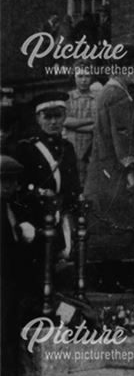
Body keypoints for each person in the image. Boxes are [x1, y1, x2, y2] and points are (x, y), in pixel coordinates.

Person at [84, 50, 134, 266]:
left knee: (105, 223)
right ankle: (115, 278)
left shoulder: (107, 92)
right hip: (114, 170)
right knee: (117, 223)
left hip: (102, 168)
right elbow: (122, 136)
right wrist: (129, 172)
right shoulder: (117, 95)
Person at [15, 91, 81, 265]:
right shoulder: (27, 148)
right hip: (37, 213)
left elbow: (73, 184)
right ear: (38, 118)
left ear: (64, 116)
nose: (53, 122)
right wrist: (40, 193)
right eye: (47, 117)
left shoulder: (67, 147)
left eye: (58, 116)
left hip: (62, 212)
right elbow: (20, 188)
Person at [1, 155, 39, 376]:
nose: (9, 187)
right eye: (3, 181)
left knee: (9, 340)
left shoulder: (11, 207)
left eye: (12, 181)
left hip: (10, 284)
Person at [63, 61, 95, 185]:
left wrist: (76, 125)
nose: (84, 80)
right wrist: (91, 120)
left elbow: (98, 126)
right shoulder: (68, 97)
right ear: (74, 77)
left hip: (90, 147)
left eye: (87, 76)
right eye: (80, 76)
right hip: (72, 145)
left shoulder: (97, 98)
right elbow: (66, 121)